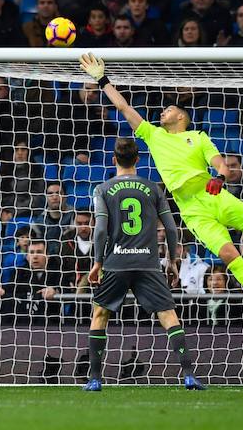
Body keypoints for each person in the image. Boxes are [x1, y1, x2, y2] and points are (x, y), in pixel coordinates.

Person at [79, 53, 243, 320]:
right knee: (229, 255)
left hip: (213, 195)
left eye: (169, 109)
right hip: (191, 210)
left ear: (181, 117)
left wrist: (219, 179)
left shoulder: (197, 137)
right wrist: (103, 80)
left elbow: (220, 164)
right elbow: (124, 108)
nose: (163, 111)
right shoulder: (154, 135)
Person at [83, 138, 203, 392]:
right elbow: (171, 227)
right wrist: (172, 260)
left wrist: (97, 262)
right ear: (138, 160)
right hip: (148, 263)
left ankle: (95, 379)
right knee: (169, 316)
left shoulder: (102, 189)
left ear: (114, 159)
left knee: (99, 315)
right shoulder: (154, 188)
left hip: (116, 262)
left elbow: (101, 229)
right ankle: (189, 375)